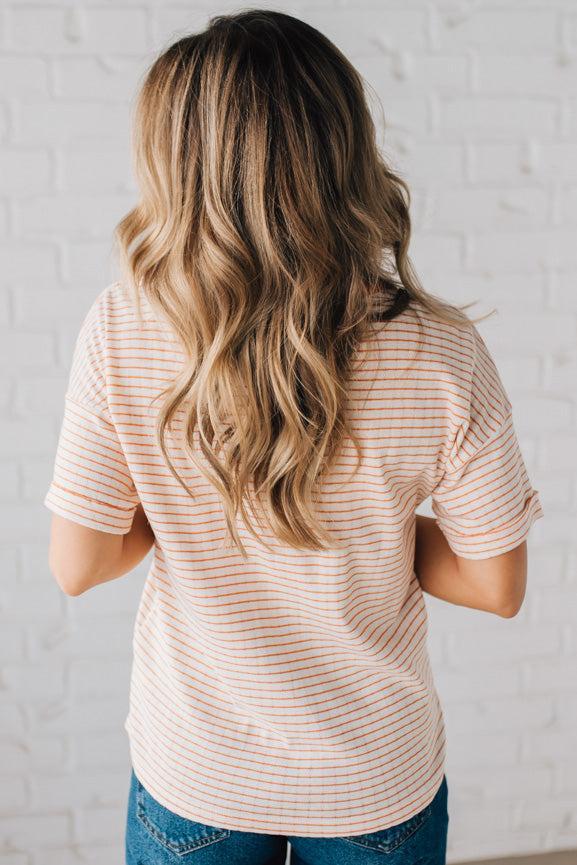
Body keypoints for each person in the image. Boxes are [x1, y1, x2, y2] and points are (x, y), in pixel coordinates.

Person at [43, 9, 544, 865]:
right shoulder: (439, 348)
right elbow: (495, 582)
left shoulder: (123, 326)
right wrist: (363, 529)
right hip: (372, 782)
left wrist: (212, 511)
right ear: (341, 145)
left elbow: (78, 562)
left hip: (196, 770)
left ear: (175, 163)